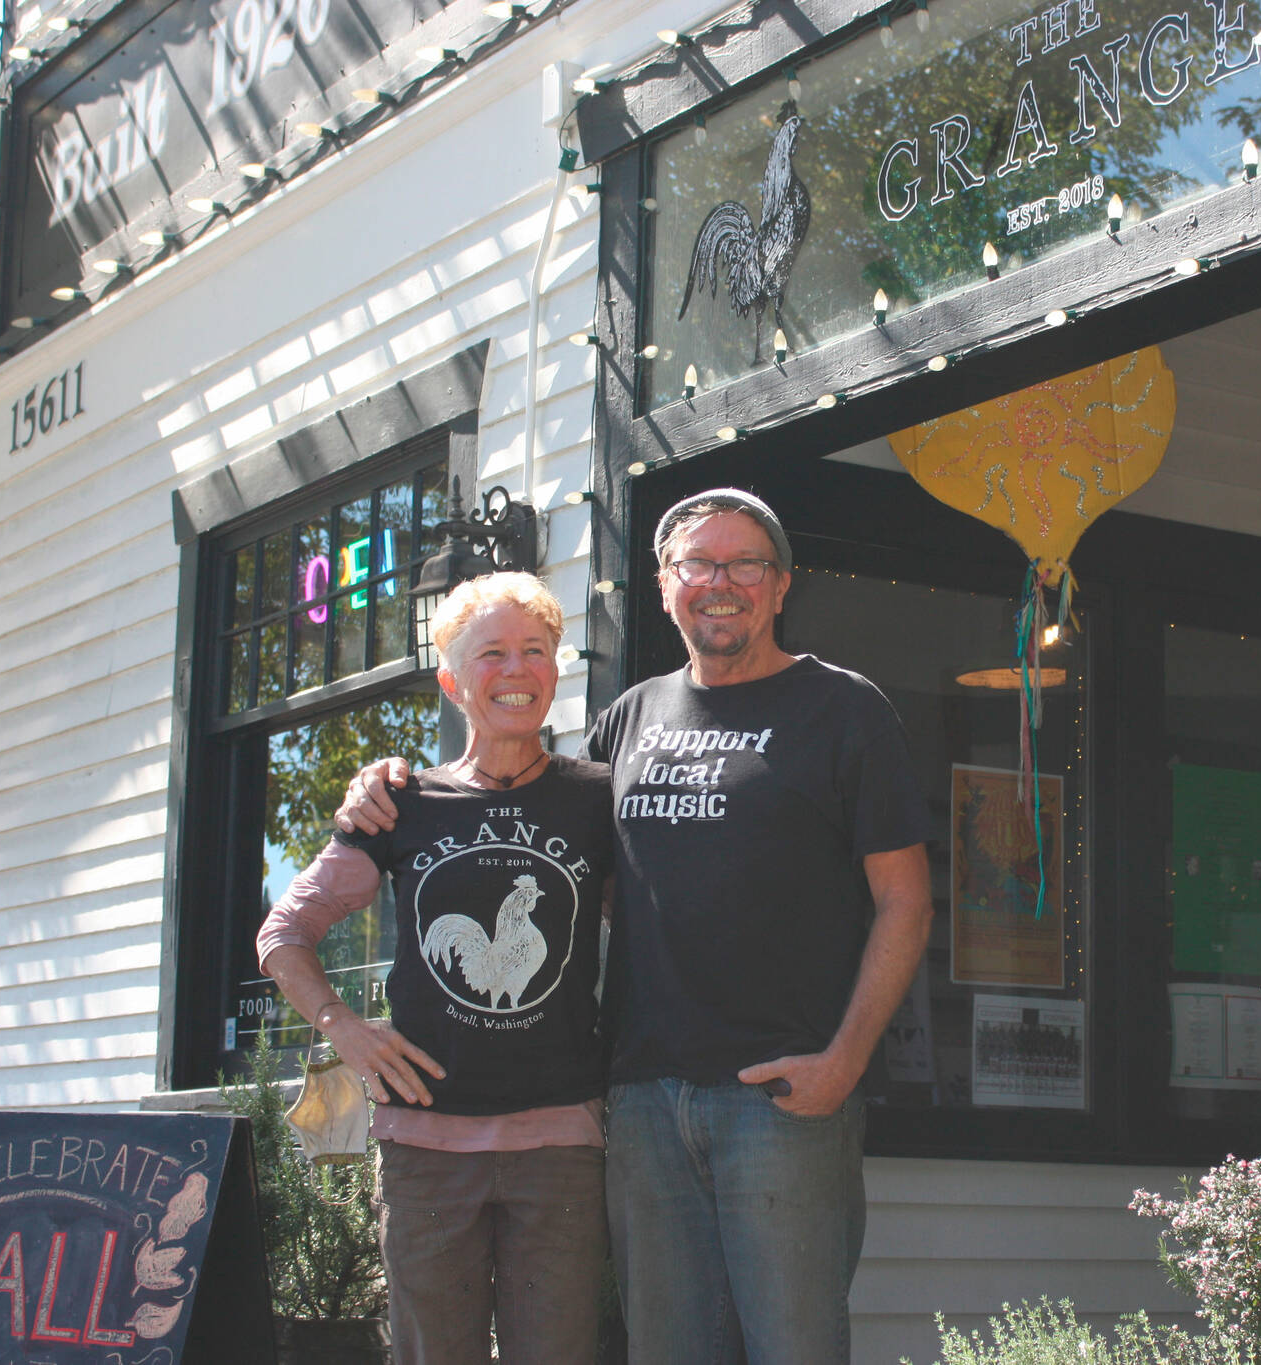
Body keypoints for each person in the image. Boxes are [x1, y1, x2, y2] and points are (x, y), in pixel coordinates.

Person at [337, 489, 935, 1364]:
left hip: (782, 1097)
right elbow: (545, 834)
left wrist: (843, 1061)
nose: (719, 582)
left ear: (779, 586)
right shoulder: (632, 718)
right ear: (665, 586)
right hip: (643, 1098)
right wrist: (393, 780)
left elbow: (907, 901)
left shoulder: (844, 710)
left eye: (744, 564)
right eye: (698, 564)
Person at [259, 572, 613, 1365]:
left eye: (534, 651)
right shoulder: (400, 803)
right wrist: (343, 1030)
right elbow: (285, 931)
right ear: (454, 681)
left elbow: (658, 928)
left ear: (555, 670)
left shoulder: (597, 801)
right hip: (424, 1146)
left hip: (558, 1142)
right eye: (491, 654)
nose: (516, 670)